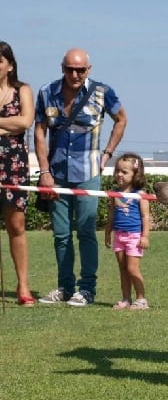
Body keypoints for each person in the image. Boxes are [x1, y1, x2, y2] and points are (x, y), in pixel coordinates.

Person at [35, 48, 127, 306]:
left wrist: (107, 154)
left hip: (88, 173)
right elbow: (39, 132)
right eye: (69, 69)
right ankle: (65, 287)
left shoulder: (102, 92)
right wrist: (44, 172)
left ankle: (87, 289)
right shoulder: (46, 93)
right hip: (56, 175)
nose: (74, 75)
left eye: (80, 70)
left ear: (89, 69)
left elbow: (121, 119)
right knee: (61, 234)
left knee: (86, 232)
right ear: (62, 67)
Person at [0, 42, 35, 306]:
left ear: (10, 65)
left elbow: (24, 121)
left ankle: (23, 285)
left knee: (16, 226)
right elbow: (15, 123)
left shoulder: (23, 90)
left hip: (14, 165)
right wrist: (7, 126)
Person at [105, 153, 151, 309]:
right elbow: (111, 213)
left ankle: (141, 299)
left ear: (135, 174)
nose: (119, 174)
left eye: (124, 172)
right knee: (123, 269)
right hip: (119, 235)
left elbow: (145, 217)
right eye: (117, 170)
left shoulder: (140, 195)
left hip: (134, 236)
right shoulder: (115, 193)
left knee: (132, 268)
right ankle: (126, 299)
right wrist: (107, 232)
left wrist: (145, 236)